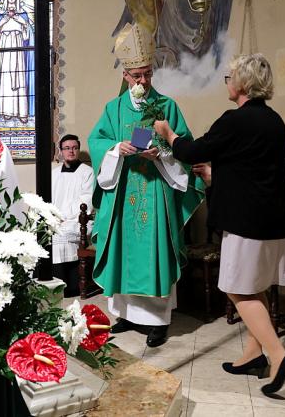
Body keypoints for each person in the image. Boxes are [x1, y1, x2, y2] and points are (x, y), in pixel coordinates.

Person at [155, 53, 285, 395]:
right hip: (273, 221)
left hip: (246, 223)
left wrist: (168, 133)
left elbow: (192, 151)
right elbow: (255, 170)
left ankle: (279, 355)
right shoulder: (274, 121)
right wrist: (216, 176)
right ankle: (253, 355)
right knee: (255, 286)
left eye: (229, 77)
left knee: (236, 288)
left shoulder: (234, 120)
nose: (227, 83)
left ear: (243, 83)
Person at [88, 22, 204, 348]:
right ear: (125, 75)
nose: (143, 81)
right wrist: (116, 149)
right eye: (137, 76)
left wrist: (162, 154)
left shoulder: (167, 106)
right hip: (123, 189)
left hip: (155, 191)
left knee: (154, 252)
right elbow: (97, 142)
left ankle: (157, 321)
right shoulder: (113, 109)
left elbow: (184, 147)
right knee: (123, 251)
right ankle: (126, 314)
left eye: (148, 74)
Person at [51, 134, 95, 297]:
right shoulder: (54, 174)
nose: (71, 151)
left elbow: (87, 200)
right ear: (61, 151)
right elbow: (48, 199)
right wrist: (53, 216)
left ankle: (69, 286)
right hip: (56, 218)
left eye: (75, 148)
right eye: (67, 148)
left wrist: (64, 216)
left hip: (78, 220)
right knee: (42, 233)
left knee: (62, 235)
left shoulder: (87, 172)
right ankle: (49, 283)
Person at [0, 0, 34, 122]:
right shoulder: (0, 16)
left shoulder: (23, 15)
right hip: (4, 50)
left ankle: (22, 111)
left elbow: (27, 36)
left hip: (18, 50)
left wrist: (20, 21)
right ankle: (6, 111)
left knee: (19, 77)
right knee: (5, 78)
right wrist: (3, 22)